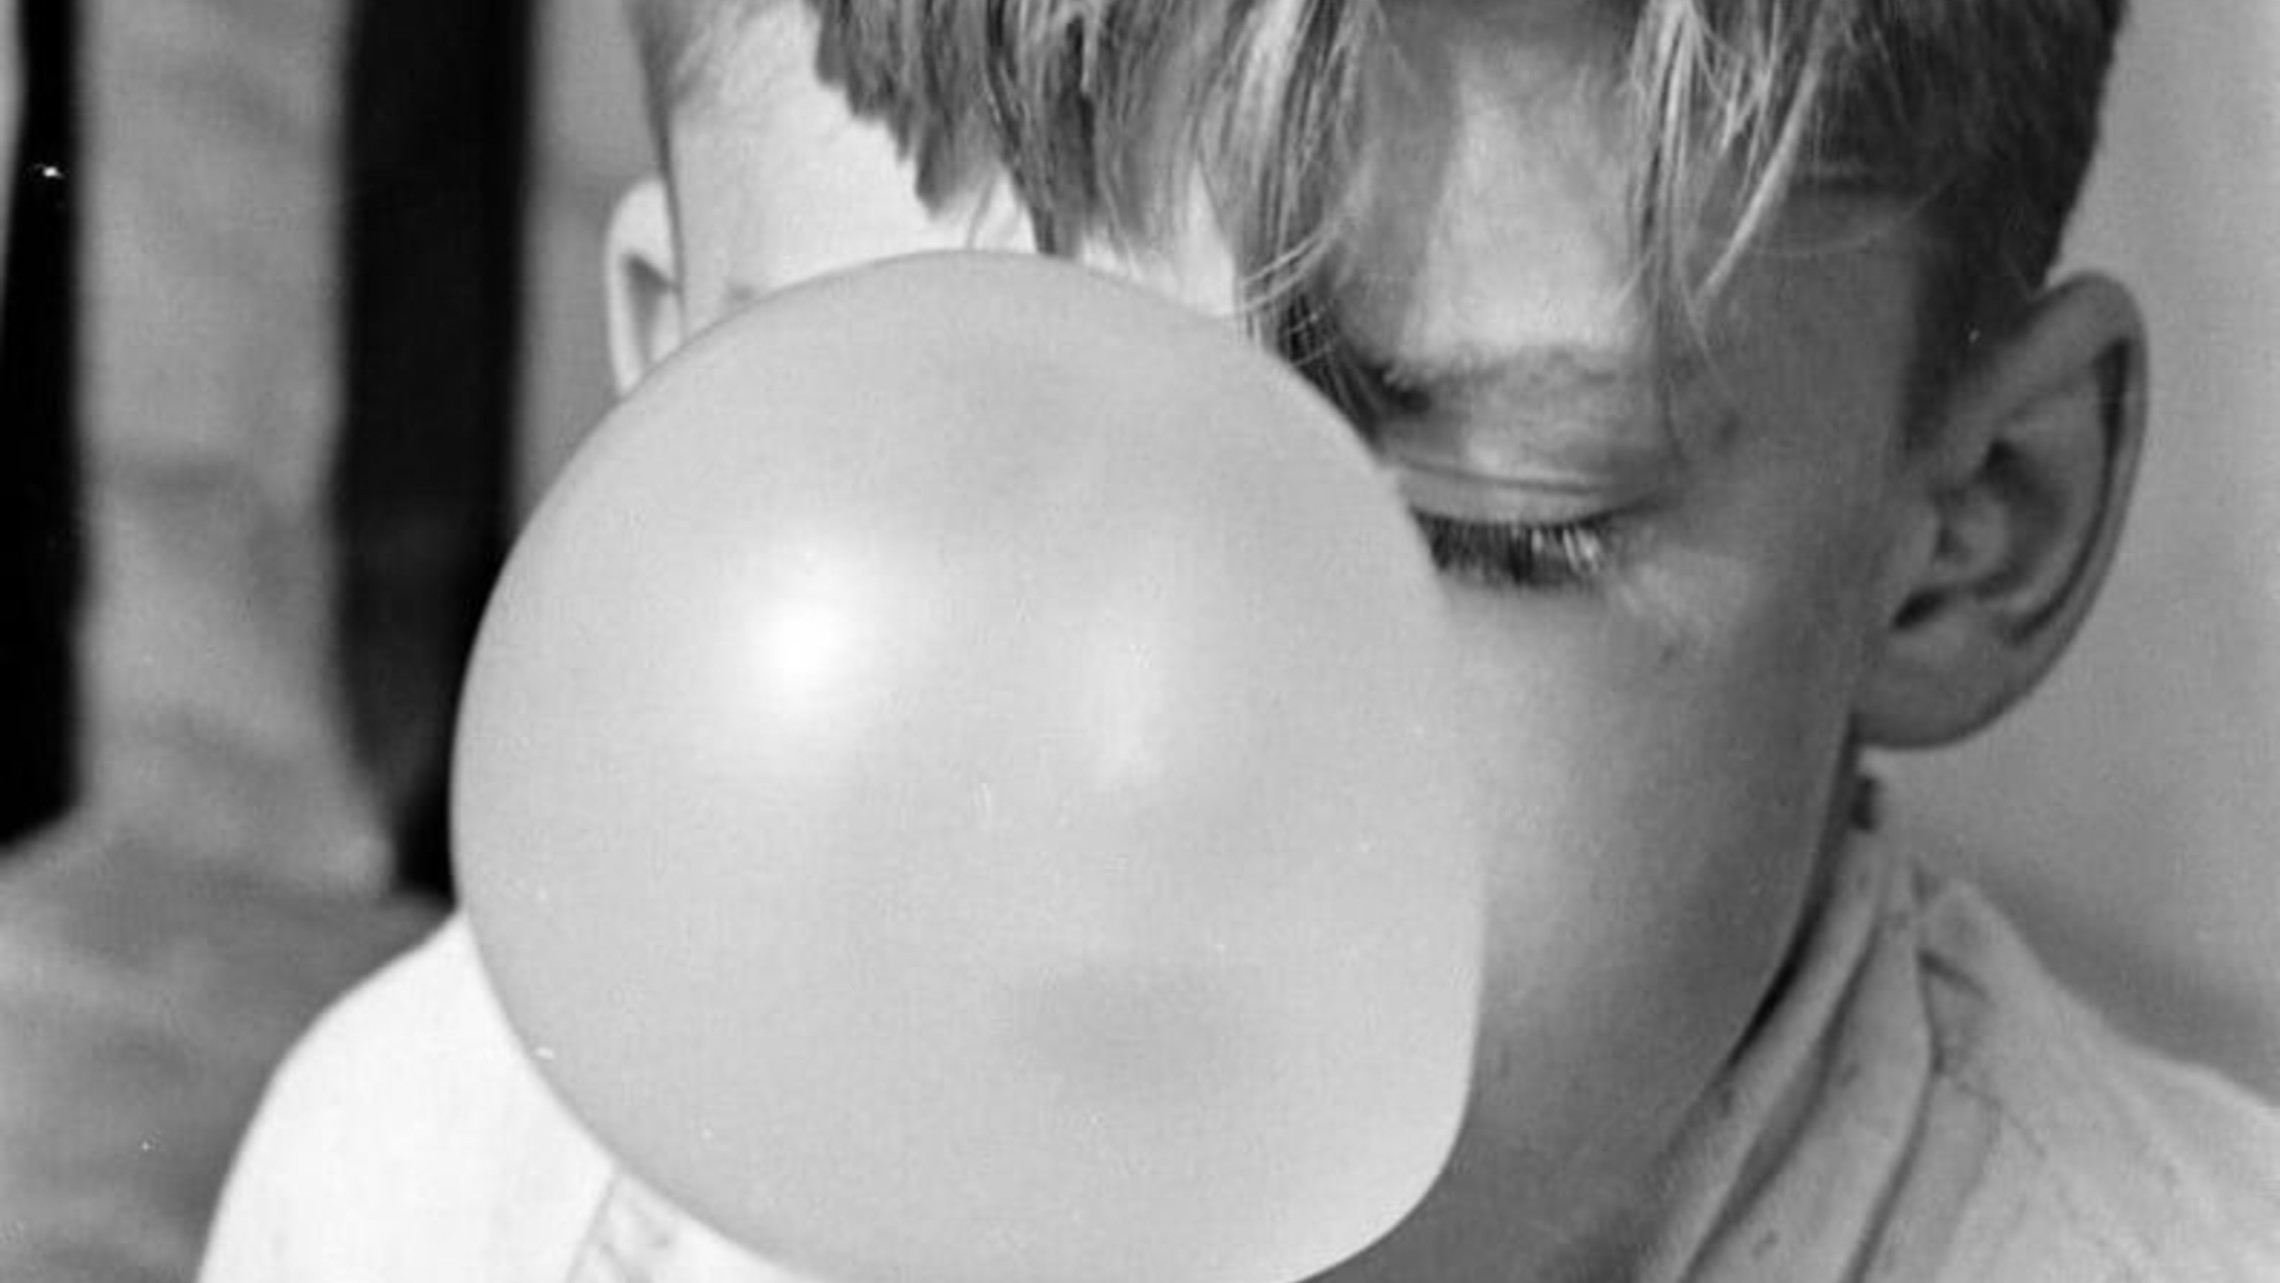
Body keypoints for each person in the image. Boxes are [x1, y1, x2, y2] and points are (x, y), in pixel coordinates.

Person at [200, 1, 2280, 1279]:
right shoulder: (431, 1184)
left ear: (1972, 532)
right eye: (914, 470)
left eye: (1480, 534)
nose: (1128, 770)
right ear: (670, 408)